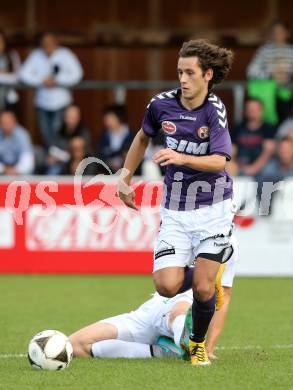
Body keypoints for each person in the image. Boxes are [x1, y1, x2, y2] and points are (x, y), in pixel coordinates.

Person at [118, 39, 235, 365]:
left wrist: (180, 156)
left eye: (190, 73)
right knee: (166, 286)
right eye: (179, 72)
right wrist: (125, 176)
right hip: (176, 210)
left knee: (202, 289)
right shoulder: (160, 105)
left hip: (214, 209)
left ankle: (196, 345)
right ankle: (207, 275)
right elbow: (142, 137)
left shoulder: (214, 110)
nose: (183, 79)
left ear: (207, 74)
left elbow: (220, 161)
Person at [69, 235, 238, 361]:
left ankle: (187, 339)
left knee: (179, 310)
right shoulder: (173, 225)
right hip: (149, 311)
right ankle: (162, 351)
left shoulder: (226, 242)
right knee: (74, 345)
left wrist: (208, 348)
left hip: (185, 304)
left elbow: (225, 297)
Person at [19, 32, 83, 148]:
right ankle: (51, 159)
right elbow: (23, 74)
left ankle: (60, 159)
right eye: (44, 43)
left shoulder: (65, 54)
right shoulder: (36, 55)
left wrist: (57, 80)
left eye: (50, 43)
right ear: (41, 44)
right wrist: (41, 80)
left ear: (55, 42)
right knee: (45, 134)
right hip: (42, 103)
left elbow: (77, 74)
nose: (47, 45)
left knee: (58, 133)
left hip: (61, 102)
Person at [247, 21, 293, 124]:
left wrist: (288, 74)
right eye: (275, 32)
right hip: (267, 96)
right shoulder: (264, 50)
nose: (278, 34)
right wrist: (271, 75)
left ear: (287, 33)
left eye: (281, 31)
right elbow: (251, 71)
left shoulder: (292, 50)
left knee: (286, 122)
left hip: (287, 93)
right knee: (269, 122)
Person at [232, 98, 276, 177]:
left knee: (270, 169)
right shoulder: (237, 128)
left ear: (261, 111)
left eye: (254, 109)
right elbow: (231, 151)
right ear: (245, 111)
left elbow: (268, 152)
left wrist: (253, 168)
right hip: (240, 165)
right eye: (249, 109)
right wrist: (236, 165)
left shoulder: (268, 128)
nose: (251, 111)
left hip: (261, 166)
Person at [46, 104, 91, 175]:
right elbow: (51, 148)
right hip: (59, 165)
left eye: (73, 117)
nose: (70, 120)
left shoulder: (84, 134)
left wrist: (68, 157)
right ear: (64, 118)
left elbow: (85, 153)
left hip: (78, 164)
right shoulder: (58, 132)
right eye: (68, 117)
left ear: (79, 118)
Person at [97, 105, 134, 173]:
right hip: (107, 171)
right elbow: (100, 154)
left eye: (109, 118)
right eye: (105, 119)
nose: (106, 121)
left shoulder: (131, 135)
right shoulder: (104, 136)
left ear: (118, 118)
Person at [0, 110, 34, 175]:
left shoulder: (22, 134)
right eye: (3, 123)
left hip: (19, 172)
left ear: (15, 122)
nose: (6, 126)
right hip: (2, 171)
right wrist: (4, 169)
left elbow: (27, 159)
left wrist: (16, 170)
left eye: (9, 123)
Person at [0, 30, 20, 112]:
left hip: (9, 99)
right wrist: (4, 73)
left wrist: (3, 75)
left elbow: (18, 77)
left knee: (7, 123)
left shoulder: (12, 55)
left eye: (0, 41)